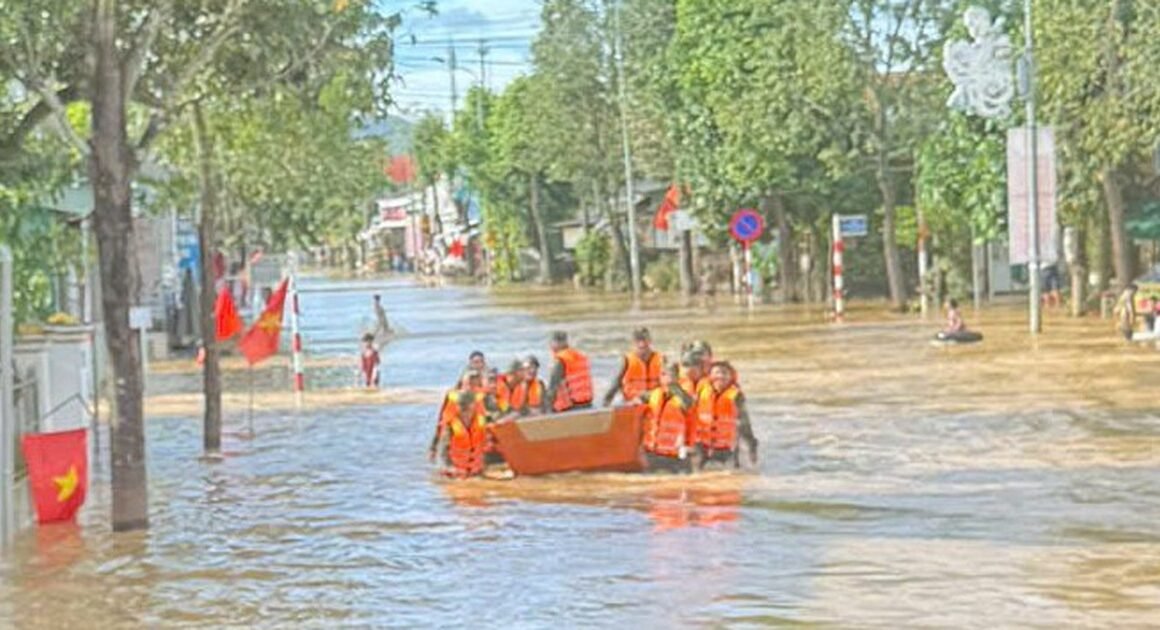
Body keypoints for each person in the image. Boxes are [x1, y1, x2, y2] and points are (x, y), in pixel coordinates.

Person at [695, 361, 758, 469]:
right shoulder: (701, 391)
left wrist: (751, 445)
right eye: (716, 373)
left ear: (731, 377)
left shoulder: (736, 396)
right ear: (710, 376)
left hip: (727, 447)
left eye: (724, 373)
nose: (720, 376)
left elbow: (745, 423)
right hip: (701, 445)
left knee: (731, 477)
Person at [428, 370, 490, 478]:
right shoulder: (452, 401)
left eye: (475, 383)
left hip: (475, 472)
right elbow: (443, 450)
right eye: (470, 383)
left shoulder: (481, 416)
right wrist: (433, 448)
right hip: (456, 473)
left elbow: (486, 443)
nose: (465, 411)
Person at [641, 363, 694, 474]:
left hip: (674, 453)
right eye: (662, 374)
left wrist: (689, 446)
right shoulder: (653, 394)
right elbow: (638, 402)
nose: (665, 377)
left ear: (676, 377)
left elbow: (690, 412)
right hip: (652, 450)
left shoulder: (683, 397)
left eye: (669, 374)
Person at [602, 327, 664, 407]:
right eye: (638, 340)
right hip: (632, 403)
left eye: (644, 340)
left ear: (650, 341)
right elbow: (615, 384)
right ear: (634, 343)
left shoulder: (661, 359)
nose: (642, 344)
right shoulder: (626, 360)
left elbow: (670, 384)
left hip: (656, 400)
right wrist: (606, 402)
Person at [545, 331, 594, 413]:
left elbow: (552, 389)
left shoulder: (561, 360)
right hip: (587, 403)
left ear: (555, 343)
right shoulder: (579, 356)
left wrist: (546, 412)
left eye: (551, 343)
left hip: (572, 407)